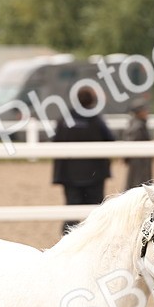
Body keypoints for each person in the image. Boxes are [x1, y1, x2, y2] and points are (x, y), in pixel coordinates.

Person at [51, 87, 114, 234]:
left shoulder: (66, 119)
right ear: (92, 100)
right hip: (94, 174)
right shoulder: (96, 120)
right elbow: (110, 140)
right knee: (95, 212)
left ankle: (66, 240)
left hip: (69, 174)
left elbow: (55, 141)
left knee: (71, 210)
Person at [123, 97, 153, 190]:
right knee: (139, 184)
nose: (147, 112)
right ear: (139, 112)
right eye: (145, 109)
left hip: (139, 162)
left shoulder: (135, 123)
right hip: (140, 162)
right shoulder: (138, 126)